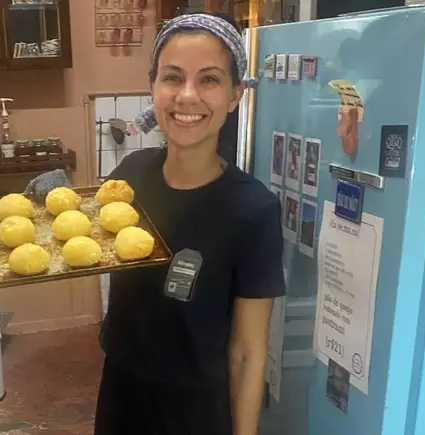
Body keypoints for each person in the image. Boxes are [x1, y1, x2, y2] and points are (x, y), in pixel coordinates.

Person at [93, 12, 286, 435]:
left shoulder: (252, 210)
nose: (187, 95)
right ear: (153, 86)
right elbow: (84, 241)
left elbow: (248, 353)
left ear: (235, 95)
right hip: (121, 396)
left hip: (197, 414)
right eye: (173, 77)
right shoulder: (129, 177)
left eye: (209, 79)